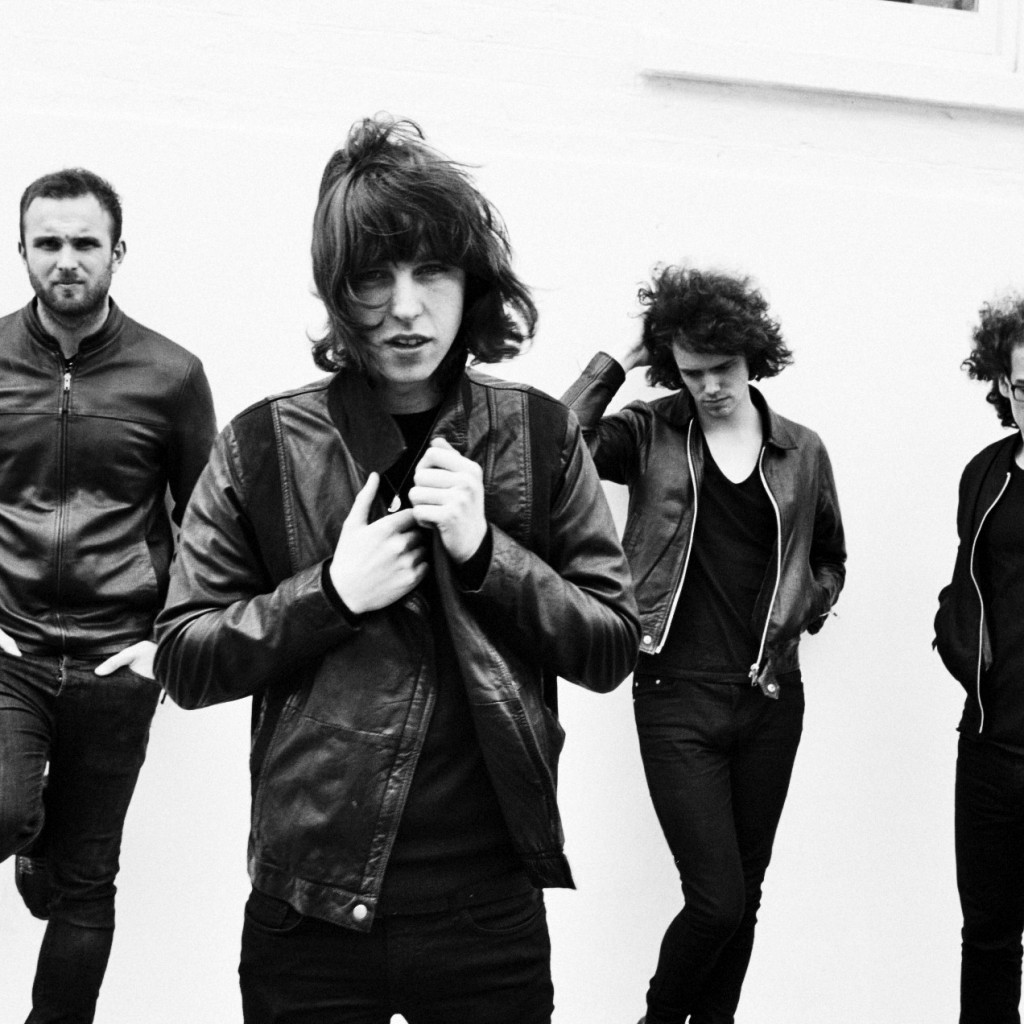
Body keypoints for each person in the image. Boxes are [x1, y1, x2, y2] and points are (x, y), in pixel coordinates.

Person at [153, 116, 640, 1024]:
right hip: (309, 912)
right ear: (338, 292)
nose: (406, 308)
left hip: (487, 912)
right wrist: (330, 595)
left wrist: (489, 554)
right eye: (374, 276)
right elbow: (184, 658)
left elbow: (612, 646)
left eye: (432, 271)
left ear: (471, 282)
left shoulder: (541, 434)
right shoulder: (262, 443)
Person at [562, 266, 846, 1024]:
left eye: (723, 368)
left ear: (753, 356)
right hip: (673, 695)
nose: (711, 386)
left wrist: (807, 607)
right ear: (671, 368)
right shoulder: (649, 431)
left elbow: (830, 556)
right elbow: (555, 449)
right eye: (692, 372)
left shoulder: (801, 450)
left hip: (770, 699)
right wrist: (618, 361)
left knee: (744, 898)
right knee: (716, 900)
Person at [0, 168, 217, 1023]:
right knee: (6, 810)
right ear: (22, 250)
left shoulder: (171, 375)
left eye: (85, 242)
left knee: (87, 882)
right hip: (12, 650)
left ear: (118, 252)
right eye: (48, 242)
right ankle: (32, 839)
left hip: (116, 662)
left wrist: (164, 643)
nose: (67, 259)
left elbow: (210, 526)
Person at [934, 295, 1024, 1024]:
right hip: (993, 749)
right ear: (1002, 383)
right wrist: (957, 639)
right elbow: (967, 584)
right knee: (988, 940)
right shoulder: (986, 473)